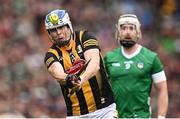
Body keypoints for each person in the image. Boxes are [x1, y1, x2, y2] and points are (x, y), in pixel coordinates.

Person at [44, 9, 117, 118]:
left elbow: (94, 63)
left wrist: (81, 79)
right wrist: (68, 78)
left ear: (69, 26)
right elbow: (56, 71)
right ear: (49, 33)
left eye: (61, 27)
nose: (58, 33)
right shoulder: (51, 54)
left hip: (105, 110)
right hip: (77, 115)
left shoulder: (85, 37)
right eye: (53, 30)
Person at [104, 14, 168, 118]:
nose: (127, 32)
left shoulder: (151, 58)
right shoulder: (109, 58)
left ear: (138, 32)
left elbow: (162, 90)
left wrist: (161, 117)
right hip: (116, 116)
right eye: (123, 28)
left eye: (131, 28)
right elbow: (100, 88)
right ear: (118, 32)